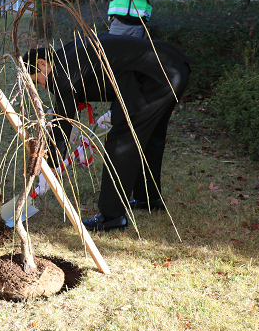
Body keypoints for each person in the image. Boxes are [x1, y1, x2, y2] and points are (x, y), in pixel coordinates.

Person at [23, 33, 190, 231]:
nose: (41, 86)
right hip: (174, 65)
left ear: (42, 63)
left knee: (122, 142)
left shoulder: (61, 71)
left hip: (156, 74)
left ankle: (111, 217)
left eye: (36, 80)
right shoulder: (68, 53)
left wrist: (50, 164)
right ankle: (148, 198)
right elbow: (109, 71)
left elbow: (62, 121)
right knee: (151, 136)